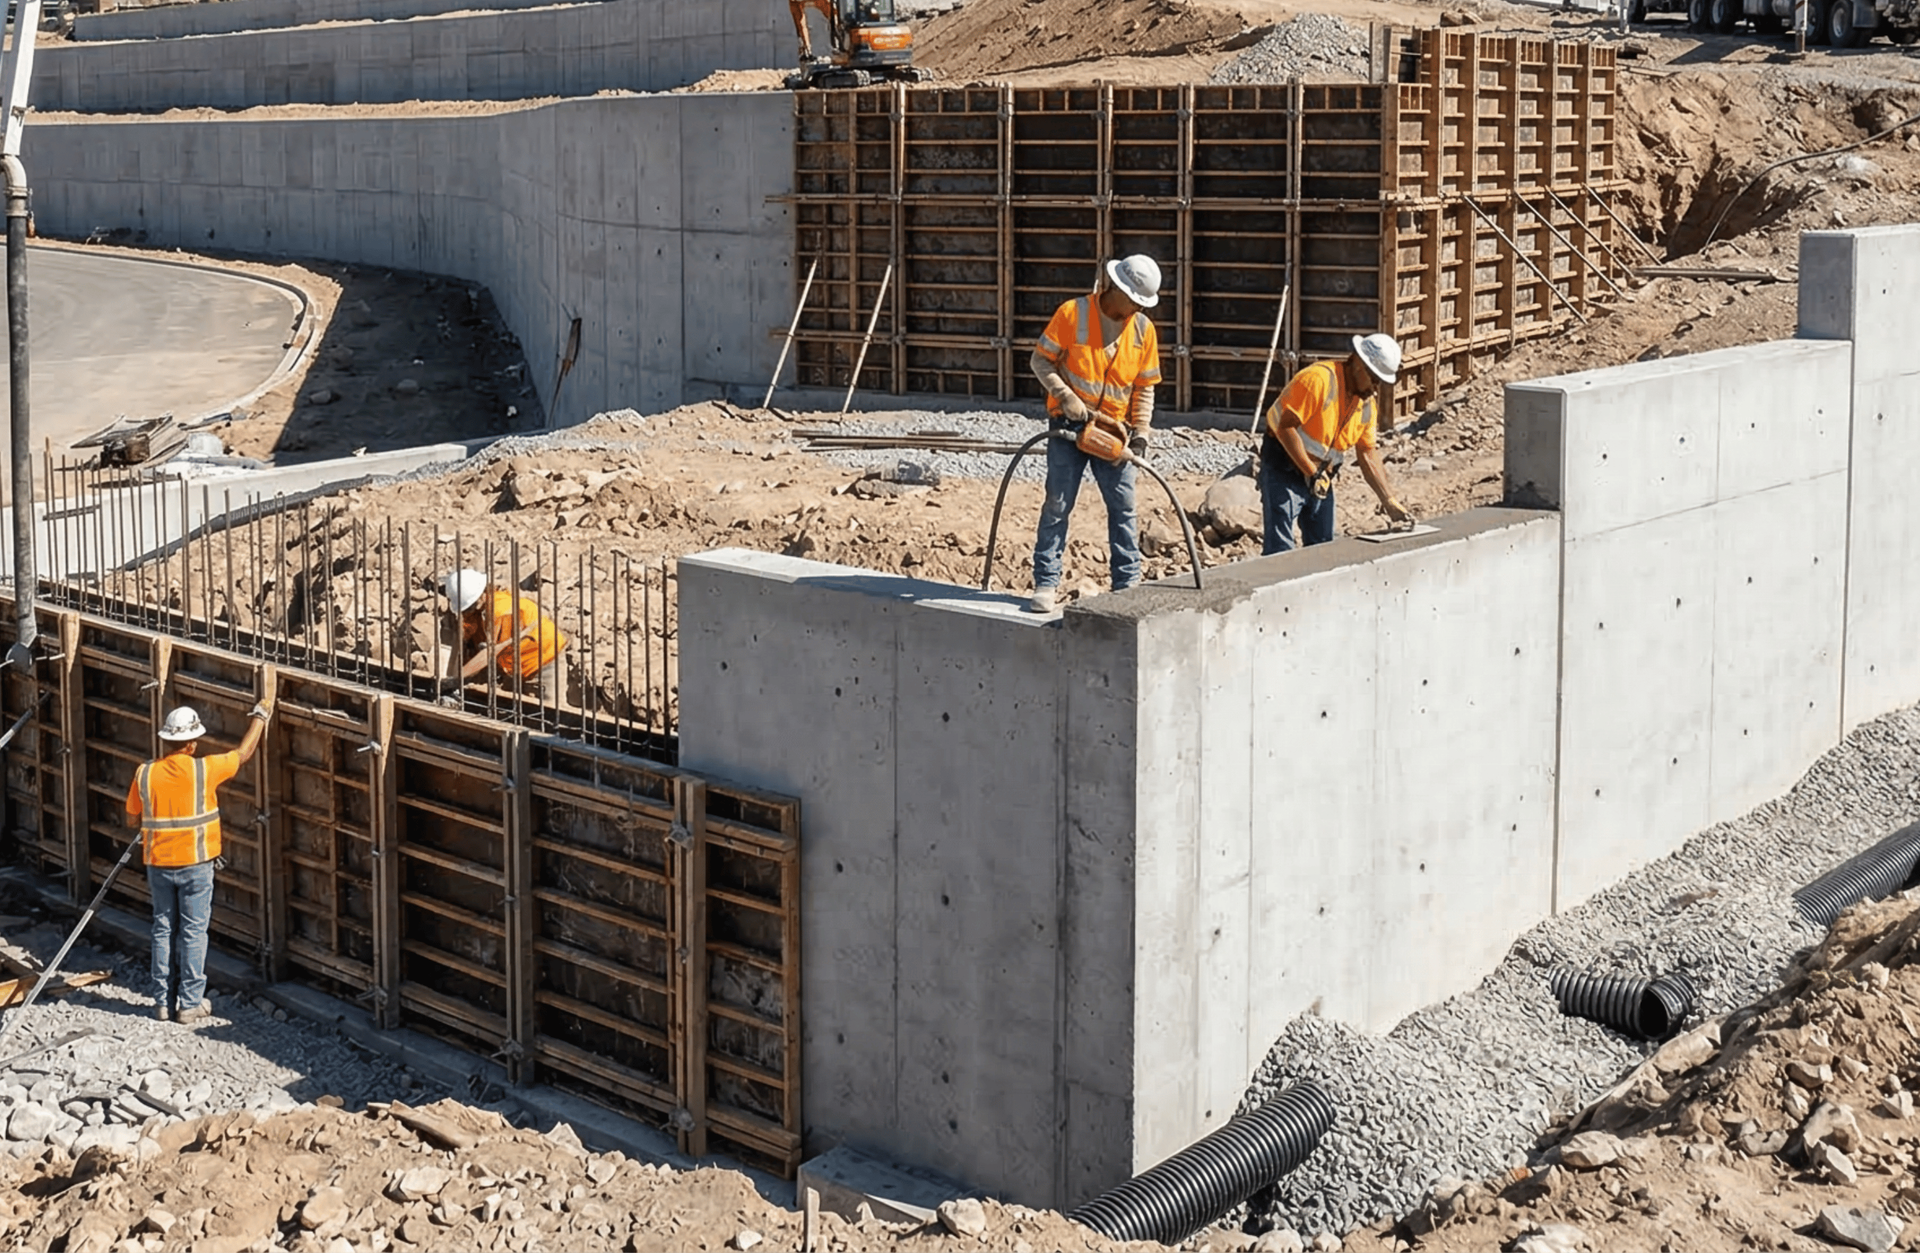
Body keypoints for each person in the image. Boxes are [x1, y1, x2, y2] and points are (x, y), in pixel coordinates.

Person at [1026, 253, 1165, 614]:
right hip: (1068, 426)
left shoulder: (1143, 330)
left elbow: (1145, 386)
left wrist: (1142, 434)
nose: (1138, 308)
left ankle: (1126, 583)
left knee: (1124, 507)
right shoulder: (1073, 314)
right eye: (1135, 300)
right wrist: (1065, 395)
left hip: (1113, 430)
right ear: (1117, 287)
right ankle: (1046, 581)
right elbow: (1040, 361)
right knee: (1057, 504)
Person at [125, 701, 271, 1024]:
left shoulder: (145, 773)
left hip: (159, 865)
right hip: (196, 864)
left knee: (163, 929)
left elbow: (132, 818)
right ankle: (190, 1005)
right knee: (193, 931)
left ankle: (162, 1002)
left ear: (167, 741)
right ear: (192, 743)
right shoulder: (205, 769)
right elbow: (243, 754)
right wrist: (261, 718)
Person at [1259, 332, 1413, 554]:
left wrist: (1388, 500)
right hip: (1284, 466)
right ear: (1359, 365)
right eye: (1375, 379)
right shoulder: (1318, 380)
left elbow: (1368, 452)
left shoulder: (1366, 405)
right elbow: (1286, 427)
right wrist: (1310, 471)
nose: (1375, 388)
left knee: (1323, 545)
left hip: (1321, 474)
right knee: (1281, 547)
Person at [443, 567, 567, 699]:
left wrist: (456, 680)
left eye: (469, 606)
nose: (466, 611)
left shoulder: (502, 612)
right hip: (514, 666)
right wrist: (449, 678)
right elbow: (462, 641)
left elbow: (490, 652)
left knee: (547, 713)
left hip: (544, 661)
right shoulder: (474, 611)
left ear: (481, 595)